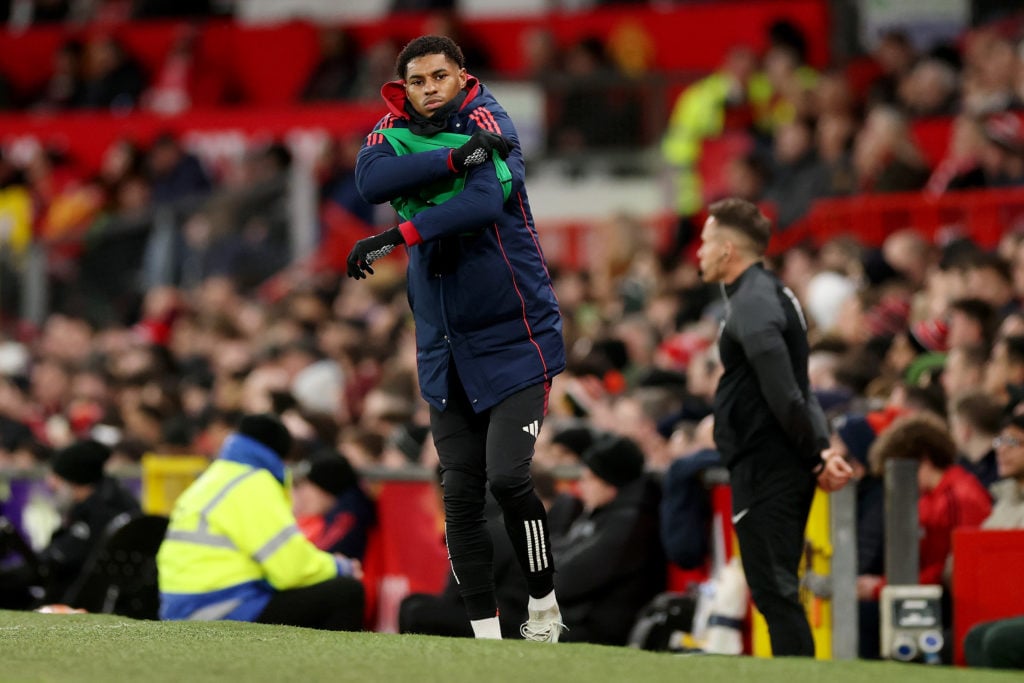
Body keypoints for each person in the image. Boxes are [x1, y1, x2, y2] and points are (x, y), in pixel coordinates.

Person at [347, 34, 567, 642]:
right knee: (460, 495)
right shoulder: (391, 128)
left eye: (439, 77)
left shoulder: (491, 119)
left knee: (508, 478)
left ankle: (544, 608)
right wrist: (452, 158)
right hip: (444, 345)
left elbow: (485, 199)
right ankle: (486, 641)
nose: (429, 90)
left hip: (516, 335)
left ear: (461, 75)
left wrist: (398, 235)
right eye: (417, 82)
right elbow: (371, 181)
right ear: (404, 88)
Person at [695, 197, 852, 657]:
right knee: (774, 591)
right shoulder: (769, 294)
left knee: (775, 592)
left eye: (705, 243)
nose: (699, 252)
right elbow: (798, 389)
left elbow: (785, 393)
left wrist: (815, 455)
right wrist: (818, 449)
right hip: (774, 462)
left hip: (769, 467)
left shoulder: (753, 303)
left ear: (727, 250)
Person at [156, 414, 365, 631]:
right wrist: (339, 567)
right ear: (280, 455)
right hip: (222, 606)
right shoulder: (254, 483)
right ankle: (330, 666)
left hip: (182, 605)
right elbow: (290, 568)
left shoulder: (214, 476)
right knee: (347, 592)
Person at [551, 433, 665, 645]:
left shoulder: (630, 524)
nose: (581, 485)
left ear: (609, 482)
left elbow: (566, 580)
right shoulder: (603, 513)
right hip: (579, 619)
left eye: (589, 478)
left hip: (597, 629)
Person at [0, 439, 140, 609]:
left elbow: (54, 563)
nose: (50, 484)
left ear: (74, 480)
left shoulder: (97, 516)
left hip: (78, 600)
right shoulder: (117, 499)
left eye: (56, 477)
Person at [293, 449, 376, 561]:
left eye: (306, 487)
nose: (302, 495)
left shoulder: (348, 516)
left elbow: (319, 554)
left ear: (324, 489)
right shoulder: (339, 511)